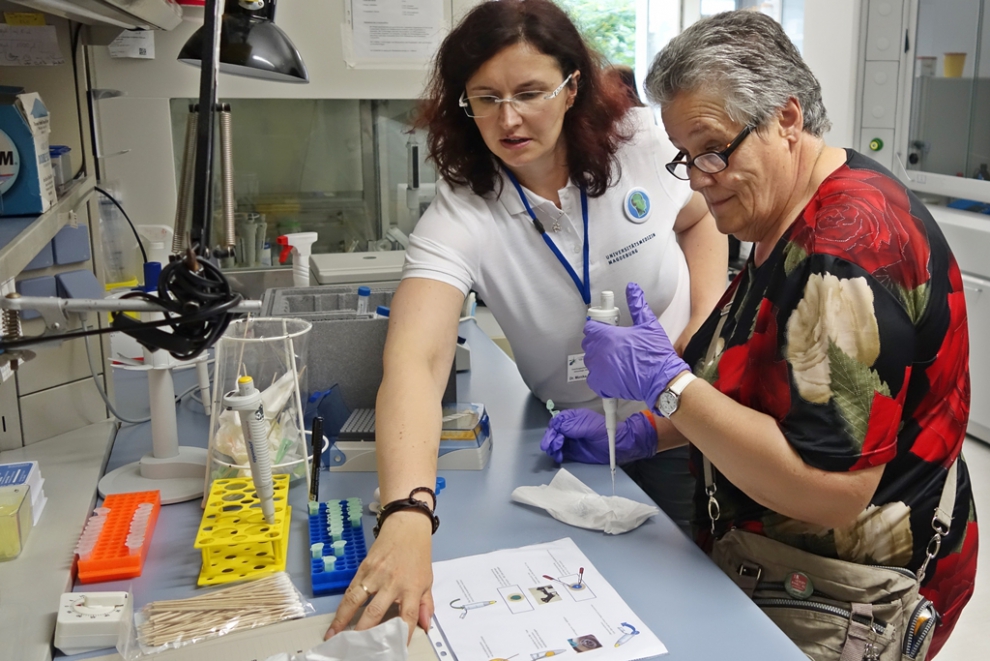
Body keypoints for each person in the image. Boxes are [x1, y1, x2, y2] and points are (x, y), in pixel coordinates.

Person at [568, 10, 977, 657]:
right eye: (685, 156)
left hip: (846, 598)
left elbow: (832, 491)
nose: (697, 177)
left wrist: (669, 386)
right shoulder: (782, 219)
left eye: (713, 149)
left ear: (787, 119)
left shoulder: (846, 255)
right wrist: (649, 430)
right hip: (779, 568)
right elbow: (763, 396)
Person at [326, 0, 727, 642]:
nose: (508, 119)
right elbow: (417, 360)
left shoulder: (643, 146)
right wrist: (406, 512)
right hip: (576, 435)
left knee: (690, 598)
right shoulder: (465, 209)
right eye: (485, 99)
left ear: (572, 87)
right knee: (593, 607)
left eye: (530, 93)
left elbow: (700, 218)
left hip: (685, 414)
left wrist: (699, 336)